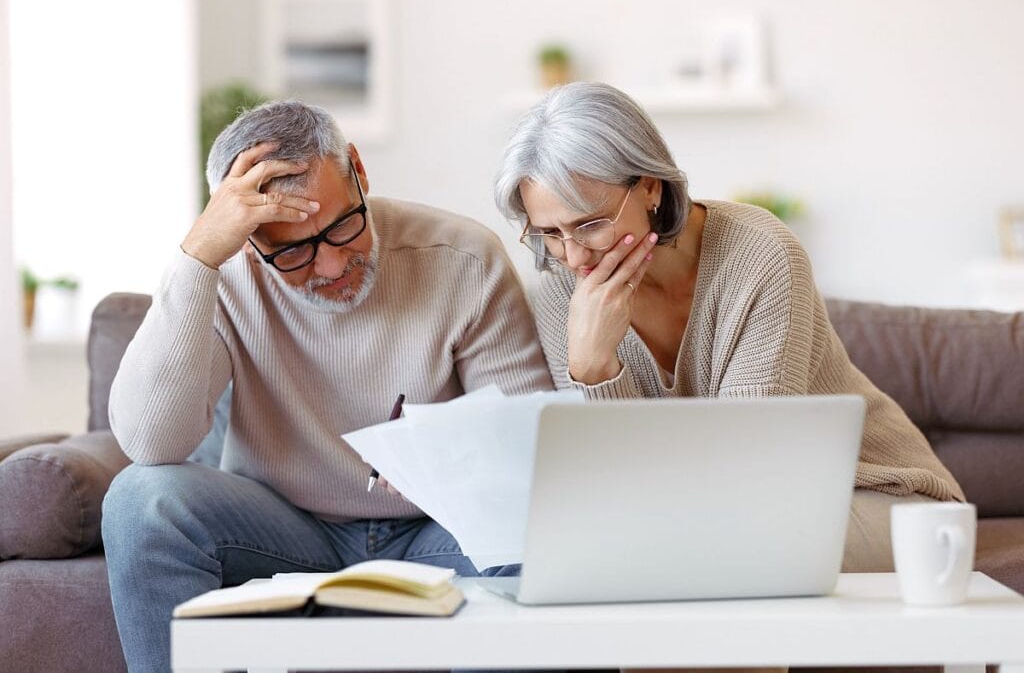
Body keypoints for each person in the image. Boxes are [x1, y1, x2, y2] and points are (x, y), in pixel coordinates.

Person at [102, 100, 553, 672]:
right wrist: (197, 260)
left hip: (434, 531)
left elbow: (527, 458)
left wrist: (440, 455)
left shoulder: (463, 257)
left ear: (359, 172)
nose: (333, 266)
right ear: (247, 239)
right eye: (292, 252)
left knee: (537, 542)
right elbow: (151, 445)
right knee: (138, 502)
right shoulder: (226, 274)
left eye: (343, 226)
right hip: (282, 528)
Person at [493, 81, 965, 575]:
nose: (572, 256)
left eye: (590, 224)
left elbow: (745, 472)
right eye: (549, 232)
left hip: (878, 496)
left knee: (723, 553)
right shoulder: (559, 293)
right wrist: (594, 369)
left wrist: (600, 383)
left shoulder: (761, 254)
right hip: (723, 524)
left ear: (651, 186)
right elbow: (612, 487)